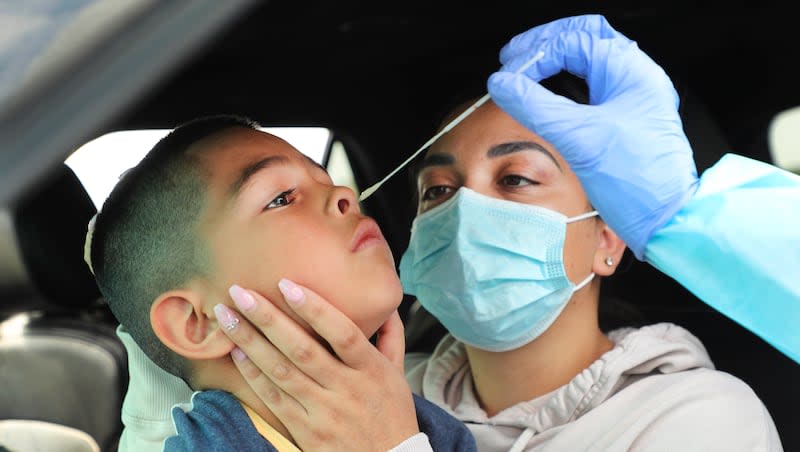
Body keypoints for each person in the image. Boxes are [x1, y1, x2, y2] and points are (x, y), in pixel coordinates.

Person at [114, 13, 797, 451]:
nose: (467, 211)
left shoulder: (699, 418)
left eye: (516, 181)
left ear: (610, 236)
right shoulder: (379, 386)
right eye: (438, 191)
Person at [88, 115, 477, 451]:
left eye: (325, 179)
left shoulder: (432, 428)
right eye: (281, 198)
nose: (344, 195)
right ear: (197, 321)